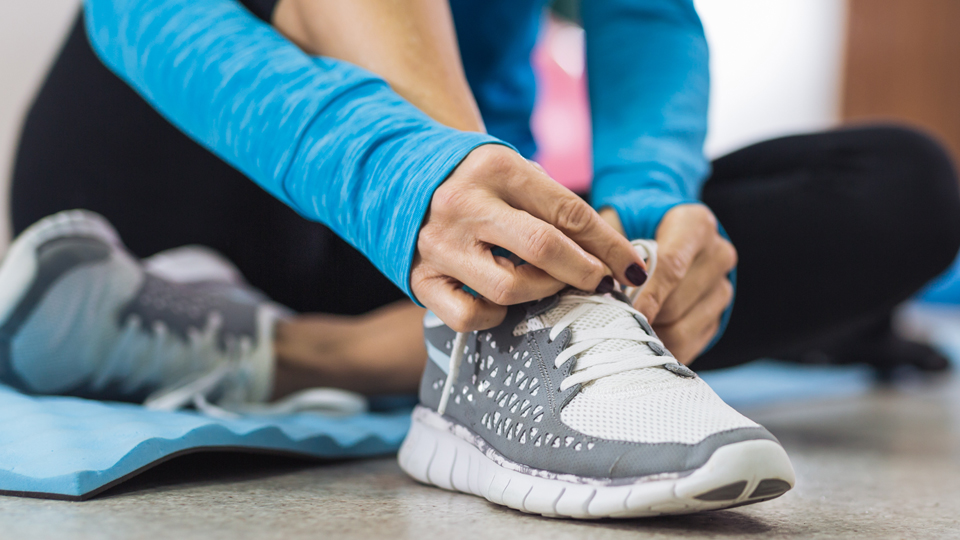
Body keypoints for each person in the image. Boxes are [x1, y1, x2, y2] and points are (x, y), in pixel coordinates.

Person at [3, 0, 959, 517]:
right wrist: (415, 173)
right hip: (185, 158)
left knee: (904, 183)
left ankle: (327, 349)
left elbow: (646, 19)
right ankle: (516, 322)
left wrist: (652, 211)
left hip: (445, 239)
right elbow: (135, 11)